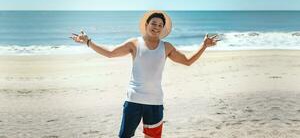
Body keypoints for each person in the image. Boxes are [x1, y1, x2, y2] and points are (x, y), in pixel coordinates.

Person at [71, 10, 219, 138]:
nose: (157, 27)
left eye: (160, 25)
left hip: (155, 102)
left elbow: (188, 61)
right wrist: (88, 42)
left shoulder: (166, 47)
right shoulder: (134, 43)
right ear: (147, 24)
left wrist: (204, 46)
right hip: (134, 100)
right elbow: (110, 53)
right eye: (154, 23)